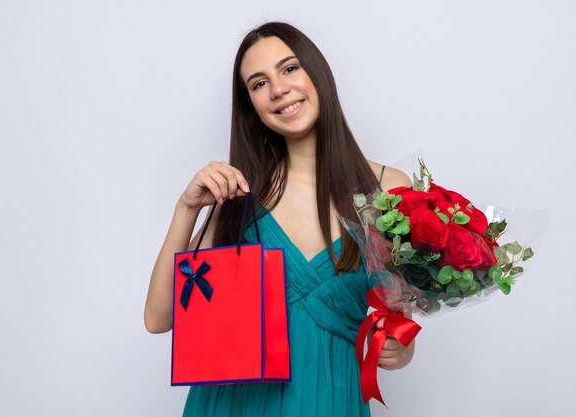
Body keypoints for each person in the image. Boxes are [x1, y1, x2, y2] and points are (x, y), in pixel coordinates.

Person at [144, 21, 416, 417]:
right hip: (232, 405)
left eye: (289, 69)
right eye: (258, 83)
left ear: (316, 72)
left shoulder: (388, 190)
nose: (277, 89)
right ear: (252, 107)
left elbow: (400, 326)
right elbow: (159, 317)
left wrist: (402, 349)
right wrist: (186, 209)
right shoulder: (238, 196)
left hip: (331, 399)